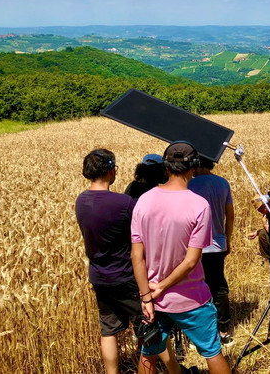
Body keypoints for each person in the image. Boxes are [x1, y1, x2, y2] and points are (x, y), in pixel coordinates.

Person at [131, 141, 230, 374]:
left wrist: (147, 296)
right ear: (193, 166)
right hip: (191, 298)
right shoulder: (199, 205)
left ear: (166, 166)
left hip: (154, 301)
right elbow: (190, 261)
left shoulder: (143, 201)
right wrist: (163, 286)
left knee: (148, 354)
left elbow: (137, 256)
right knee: (212, 352)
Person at [75, 149, 170, 374]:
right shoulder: (123, 203)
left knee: (108, 330)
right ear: (110, 171)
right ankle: (167, 368)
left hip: (99, 276)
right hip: (127, 276)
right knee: (149, 326)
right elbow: (144, 234)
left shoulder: (81, 200)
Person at [187, 156, 235, 346]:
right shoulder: (223, 183)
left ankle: (200, 333)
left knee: (196, 288)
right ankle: (224, 330)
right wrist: (228, 239)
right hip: (218, 244)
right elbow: (229, 216)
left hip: (195, 247)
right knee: (219, 286)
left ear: (196, 164)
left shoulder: (189, 186)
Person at [247, 195, 270, 261]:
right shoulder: (268, 212)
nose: (260, 211)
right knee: (262, 233)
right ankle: (269, 259)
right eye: (258, 209)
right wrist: (256, 233)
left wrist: (265, 224)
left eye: (261, 207)